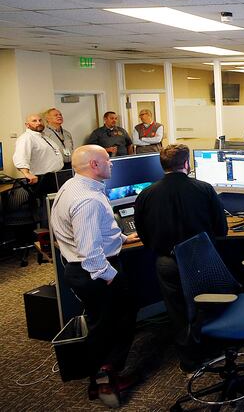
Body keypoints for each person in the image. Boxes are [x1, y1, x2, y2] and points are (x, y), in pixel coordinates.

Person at [50, 145, 141, 408]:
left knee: (104, 323)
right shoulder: (88, 200)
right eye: (107, 160)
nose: (112, 164)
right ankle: (105, 379)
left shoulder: (75, 186)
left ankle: (101, 377)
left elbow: (95, 229)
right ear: (94, 165)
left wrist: (122, 238)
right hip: (95, 270)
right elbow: (90, 252)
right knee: (114, 324)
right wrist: (110, 276)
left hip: (82, 269)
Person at [133, 144, 228, 373]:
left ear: (163, 165)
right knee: (205, 306)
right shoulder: (204, 189)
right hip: (201, 260)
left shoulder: (145, 195)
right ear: (187, 164)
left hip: (168, 263)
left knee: (177, 312)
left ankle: (188, 361)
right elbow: (221, 229)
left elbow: (143, 234)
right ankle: (211, 351)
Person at [13, 113, 64, 189]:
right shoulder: (26, 138)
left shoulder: (43, 136)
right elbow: (21, 157)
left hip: (55, 176)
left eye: (40, 120)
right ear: (27, 125)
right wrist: (26, 173)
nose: (39, 123)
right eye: (34, 121)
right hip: (43, 179)